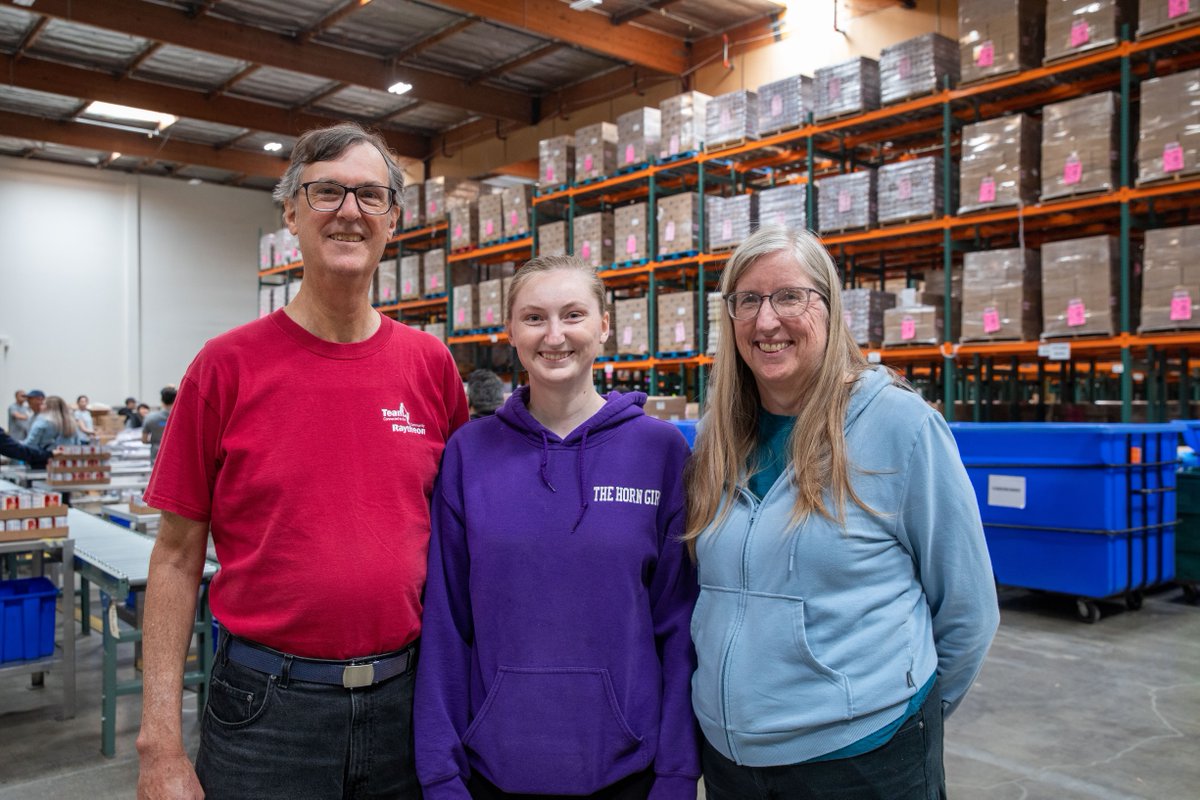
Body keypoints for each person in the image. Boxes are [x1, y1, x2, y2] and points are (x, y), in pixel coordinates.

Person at [136, 121, 468, 800]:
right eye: (327, 192)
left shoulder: (431, 367)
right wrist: (160, 744)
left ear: (393, 221)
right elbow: (174, 557)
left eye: (370, 196)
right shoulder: (225, 368)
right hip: (265, 713)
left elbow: (463, 536)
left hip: (405, 706)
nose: (349, 211)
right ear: (290, 212)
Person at [685, 227, 999, 799]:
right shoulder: (714, 441)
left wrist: (904, 717)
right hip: (732, 760)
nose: (765, 321)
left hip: (863, 761)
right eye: (746, 300)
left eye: (788, 297)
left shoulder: (900, 428)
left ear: (829, 308)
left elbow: (969, 609)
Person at [415, 255, 700, 799]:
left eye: (573, 315)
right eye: (534, 318)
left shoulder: (659, 451)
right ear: (511, 333)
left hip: (630, 775)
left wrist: (677, 774)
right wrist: (441, 775)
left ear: (603, 326)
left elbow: (678, 623)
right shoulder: (469, 454)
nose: (555, 335)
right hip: (491, 774)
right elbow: (447, 626)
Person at [141, 387, 175, 464]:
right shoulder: (181, 417)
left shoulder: (150, 418)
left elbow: (144, 440)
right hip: (176, 452)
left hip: (157, 453)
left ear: (162, 400)